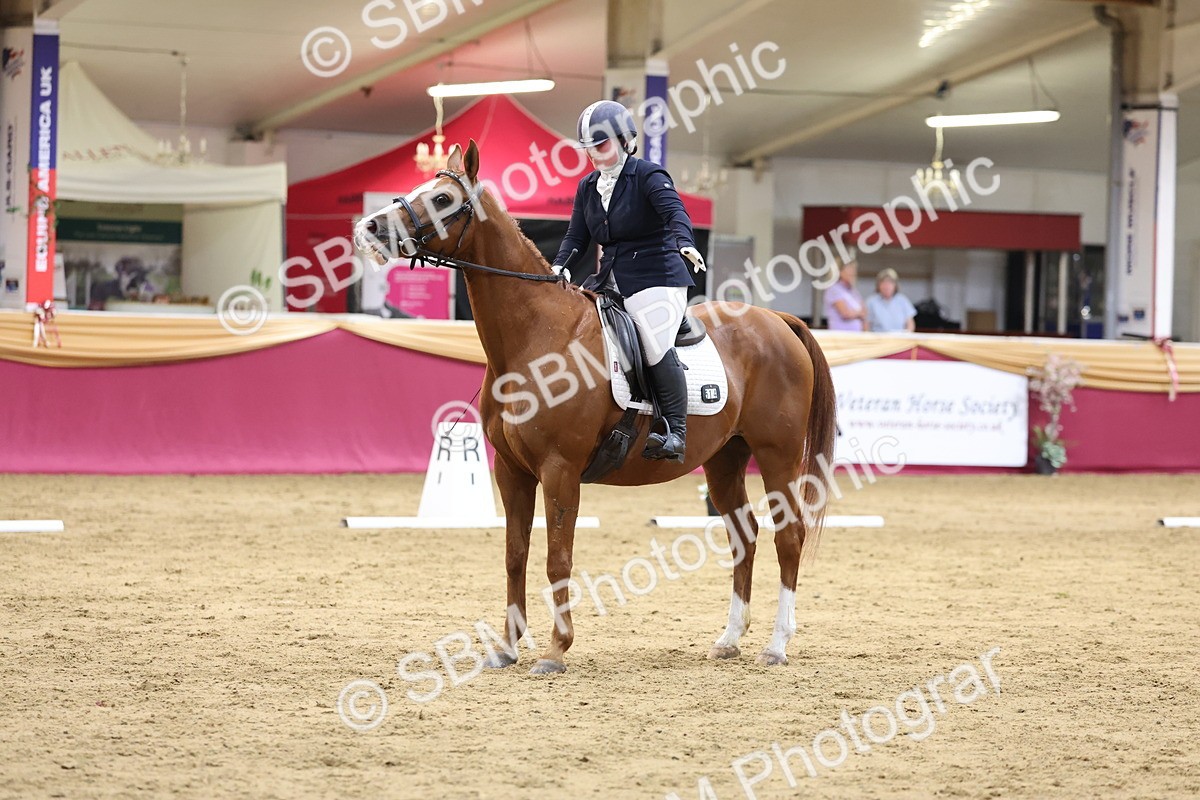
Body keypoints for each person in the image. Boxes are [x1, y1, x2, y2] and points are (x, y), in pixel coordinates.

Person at [551, 100, 705, 463]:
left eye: (600, 145)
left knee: (653, 344)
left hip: (658, 275)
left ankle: (675, 432)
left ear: (624, 140)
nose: (593, 155)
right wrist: (559, 266)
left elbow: (675, 213)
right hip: (609, 278)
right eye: (588, 148)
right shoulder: (588, 187)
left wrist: (685, 243)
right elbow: (576, 237)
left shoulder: (649, 175)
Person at [823, 256, 867, 331]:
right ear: (840, 271)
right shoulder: (834, 289)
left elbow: (864, 312)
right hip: (840, 335)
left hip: (856, 334)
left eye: (853, 269)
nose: (852, 272)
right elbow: (845, 313)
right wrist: (858, 313)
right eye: (849, 269)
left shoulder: (853, 291)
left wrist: (856, 313)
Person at [866, 268, 917, 332]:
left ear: (895, 285)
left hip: (899, 338)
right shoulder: (871, 302)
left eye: (890, 283)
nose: (887, 286)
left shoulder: (902, 300)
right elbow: (866, 324)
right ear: (878, 285)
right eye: (883, 283)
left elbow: (910, 324)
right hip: (878, 338)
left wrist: (907, 335)